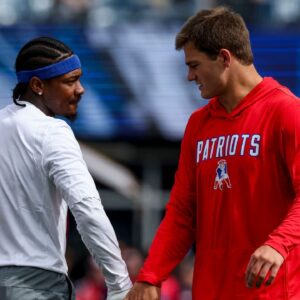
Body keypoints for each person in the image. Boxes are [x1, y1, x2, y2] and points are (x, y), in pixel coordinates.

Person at [125, 6, 300, 300]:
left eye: (194, 65)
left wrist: (278, 244)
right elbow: (182, 212)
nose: (189, 77)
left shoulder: (286, 112)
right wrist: (151, 276)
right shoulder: (198, 124)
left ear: (224, 58)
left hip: (272, 294)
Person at [0, 37, 132, 300]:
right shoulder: (52, 131)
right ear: (38, 85)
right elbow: (87, 209)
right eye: (70, 81)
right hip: (36, 284)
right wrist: (120, 284)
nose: (81, 89)